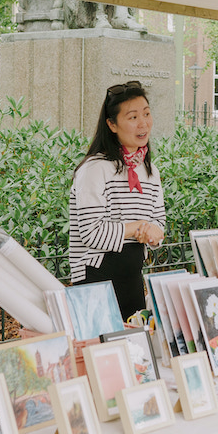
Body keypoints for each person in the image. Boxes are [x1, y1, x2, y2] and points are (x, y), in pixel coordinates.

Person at [69, 81, 166, 320]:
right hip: (95, 278)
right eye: (132, 117)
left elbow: (159, 224)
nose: (143, 123)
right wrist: (137, 228)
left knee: (132, 349)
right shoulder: (95, 169)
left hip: (132, 277)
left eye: (146, 113)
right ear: (112, 124)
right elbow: (90, 233)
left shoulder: (151, 172)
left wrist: (152, 234)